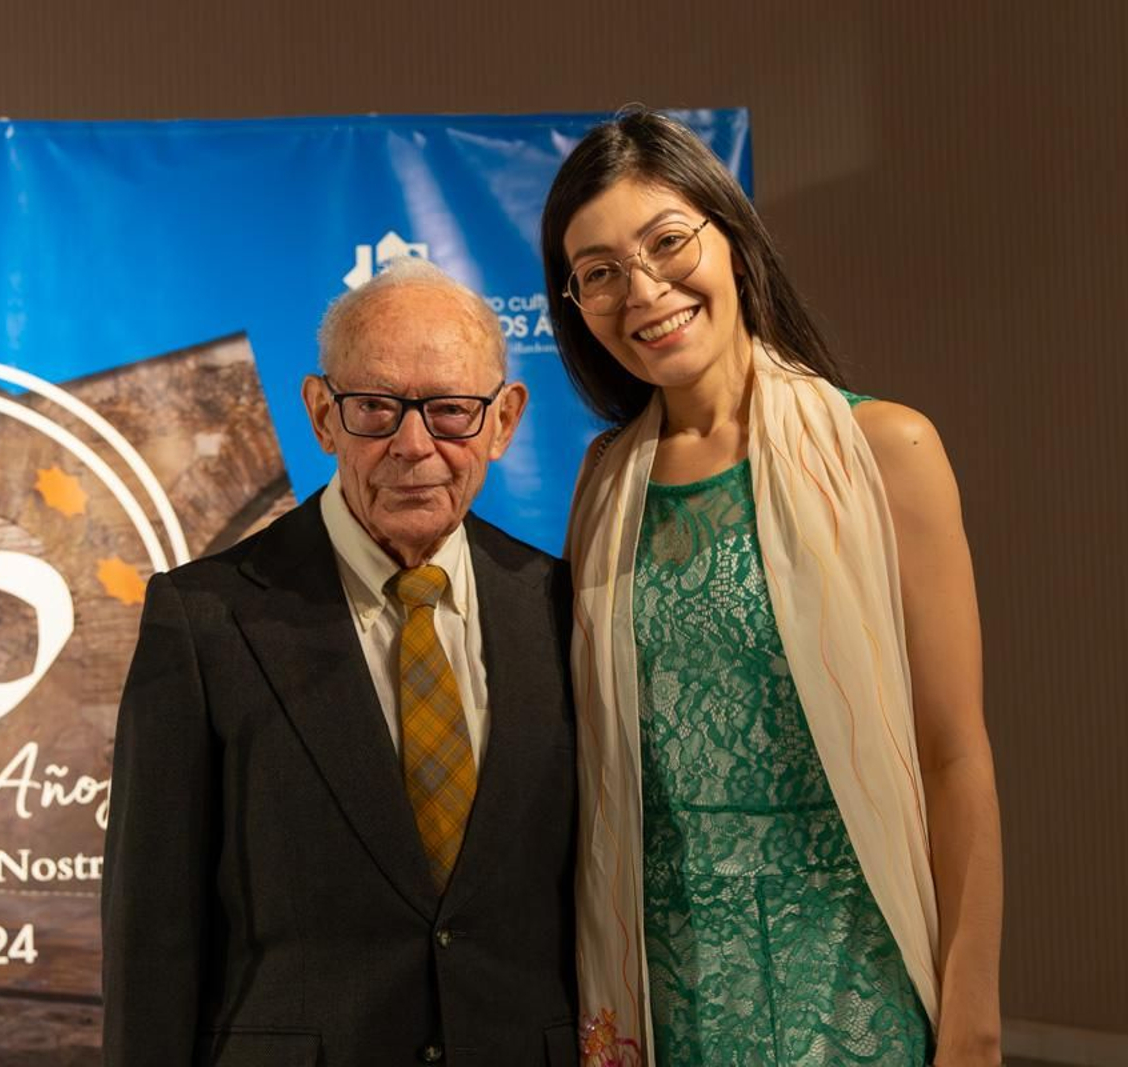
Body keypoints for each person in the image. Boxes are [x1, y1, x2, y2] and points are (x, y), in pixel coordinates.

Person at [540, 109, 1003, 1067]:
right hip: (666, 996)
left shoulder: (887, 452)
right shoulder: (603, 488)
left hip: (857, 982)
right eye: (600, 273)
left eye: (668, 243)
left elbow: (954, 757)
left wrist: (973, 1021)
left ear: (734, 243)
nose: (645, 290)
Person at [102, 258, 580, 1066]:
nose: (414, 444)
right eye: (375, 407)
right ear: (323, 415)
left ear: (503, 421)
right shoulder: (206, 618)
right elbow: (153, 929)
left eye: (453, 410)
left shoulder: (564, 607)